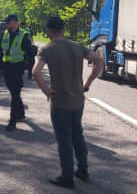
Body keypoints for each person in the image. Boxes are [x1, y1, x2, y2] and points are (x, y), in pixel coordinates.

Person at [32, 16, 104, 189]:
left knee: (64, 138)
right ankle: (83, 170)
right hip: (78, 100)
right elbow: (99, 61)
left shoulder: (47, 50)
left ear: (48, 31)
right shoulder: (77, 46)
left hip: (60, 101)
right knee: (77, 134)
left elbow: (36, 72)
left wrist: (46, 90)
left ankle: (67, 176)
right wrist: (87, 83)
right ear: (63, 30)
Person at [0, 14, 33, 131]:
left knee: (15, 94)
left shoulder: (23, 36)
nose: (6, 25)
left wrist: (30, 70)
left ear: (15, 23)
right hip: (7, 68)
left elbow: (30, 54)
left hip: (17, 68)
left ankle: (13, 121)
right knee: (14, 92)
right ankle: (20, 113)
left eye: (8, 22)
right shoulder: (4, 34)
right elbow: (0, 51)